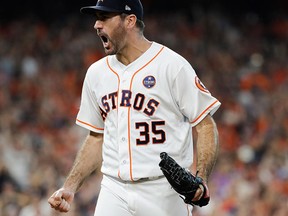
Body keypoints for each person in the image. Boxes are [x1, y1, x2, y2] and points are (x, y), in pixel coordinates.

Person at [48, 0, 221, 215]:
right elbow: (96, 137)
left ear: (129, 21)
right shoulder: (96, 73)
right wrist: (70, 187)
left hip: (163, 190)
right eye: (96, 18)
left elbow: (205, 125)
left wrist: (201, 177)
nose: (96, 25)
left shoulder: (171, 65)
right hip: (114, 188)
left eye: (104, 18)